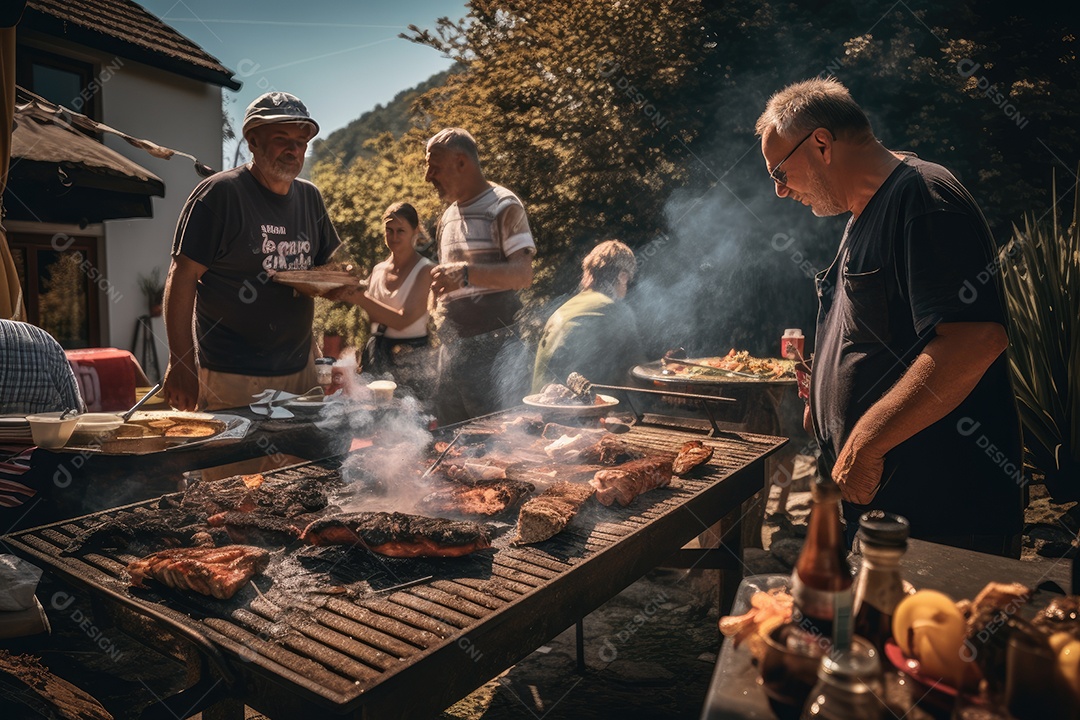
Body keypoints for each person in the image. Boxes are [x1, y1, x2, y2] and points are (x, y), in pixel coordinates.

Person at [756, 77, 1022, 557]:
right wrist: (826, 387)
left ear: (820, 143)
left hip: (940, 518)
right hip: (887, 512)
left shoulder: (924, 198)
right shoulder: (863, 215)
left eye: (779, 170)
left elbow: (974, 339)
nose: (779, 190)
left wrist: (865, 442)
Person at [162, 91, 340, 411]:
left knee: (298, 462)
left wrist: (321, 361)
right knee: (235, 461)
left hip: (300, 375)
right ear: (252, 141)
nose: (293, 149)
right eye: (281, 138)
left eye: (301, 141)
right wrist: (181, 363)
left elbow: (329, 273)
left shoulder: (310, 198)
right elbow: (182, 276)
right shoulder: (221, 194)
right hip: (231, 378)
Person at [424, 128, 535, 425]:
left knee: (499, 446)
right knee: (451, 448)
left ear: (461, 162)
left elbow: (523, 275)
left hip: (495, 353)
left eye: (434, 167)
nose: (427, 177)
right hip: (452, 353)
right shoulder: (446, 217)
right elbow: (446, 282)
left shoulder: (504, 205)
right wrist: (434, 306)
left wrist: (464, 274)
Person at [327, 202, 435, 397]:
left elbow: (403, 321)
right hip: (377, 357)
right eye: (389, 230)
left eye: (400, 231)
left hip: (413, 364)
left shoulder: (425, 270)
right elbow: (374, 319)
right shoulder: (378, 270)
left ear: (415, 231)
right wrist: (346, 287)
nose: (393, 237)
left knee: (411, 420)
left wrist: (360, 298)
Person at [531, 240, 645, 393]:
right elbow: (636, 375)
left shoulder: (565, 309)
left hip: (539, 403)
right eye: (627, 282)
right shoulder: (616, 310)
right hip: (573, 410)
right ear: (623, 277)